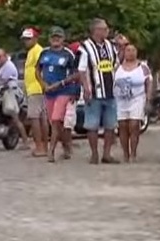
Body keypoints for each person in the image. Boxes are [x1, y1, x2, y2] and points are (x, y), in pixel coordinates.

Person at [79, 18, 121, 164]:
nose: (107, 30)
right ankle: (94, 153)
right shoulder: (85, 47)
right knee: (92, 124)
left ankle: (107, 154)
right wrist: (86, 87)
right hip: (94, 91)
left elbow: (116, 64)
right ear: (96, 30)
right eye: (104, 28)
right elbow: (82, 70)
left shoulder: (110, 46)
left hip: (110, 91)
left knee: (110, 125)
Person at [38, 27, 79, 162]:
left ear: (63, 39)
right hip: (49, 92)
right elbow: (37, 70)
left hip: (64, 90)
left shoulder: (68, 54)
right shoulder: (44, 52)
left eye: (58, 37)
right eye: (53, 37)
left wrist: (61, 84)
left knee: (56, 120)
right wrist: (43, 84)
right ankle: (66, 146)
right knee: (55, 123)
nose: (56, 39)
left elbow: (76, 74)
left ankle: (51, 151)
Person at [114, 43, 151, 162]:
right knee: (123, 126)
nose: (130, 53)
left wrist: (148, 98)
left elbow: (149, 82)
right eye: (128, 50)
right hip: (121, 101)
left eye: (133, 50)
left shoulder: (143, 67)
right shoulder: (117, 67)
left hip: (137, 99)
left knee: (134, 125)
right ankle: (125, 153)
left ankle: (133, 153)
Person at [0, 48, 29, 146]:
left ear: (5, 56)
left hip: (10, 93)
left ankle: (25, 141)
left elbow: (3, 81)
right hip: (3, 93)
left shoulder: (8, 66)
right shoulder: (0, 67)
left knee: (14, 117)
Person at [22, 28, 49, 157]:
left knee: (35, 118)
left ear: (35, 39)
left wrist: (42, 84)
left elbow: (41, 68)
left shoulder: (37, 51)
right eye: (25, 39)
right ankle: (44, 146)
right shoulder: (32, 51)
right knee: (41, 118)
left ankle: (40, 146)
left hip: (36, 88)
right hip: (34, 88)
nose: (26, 41)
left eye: (29, 38)